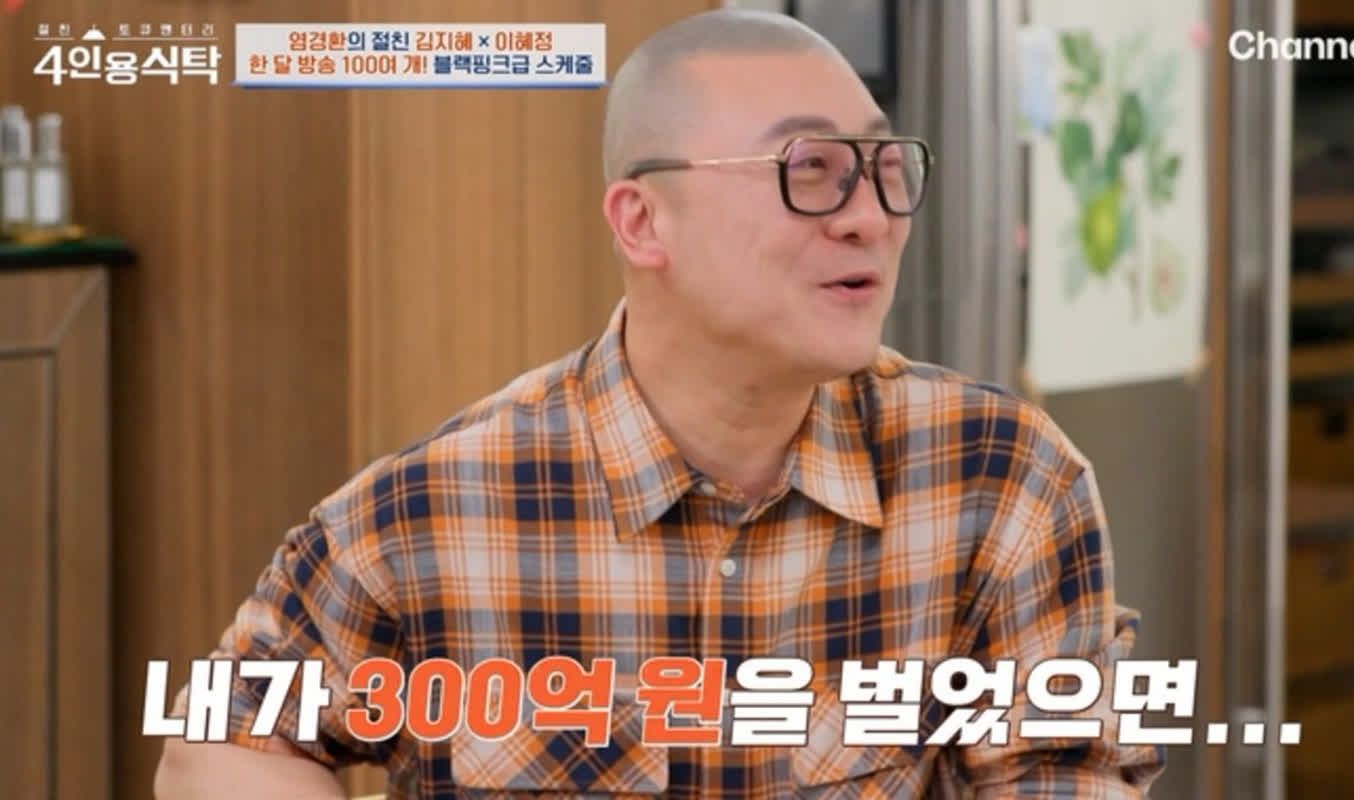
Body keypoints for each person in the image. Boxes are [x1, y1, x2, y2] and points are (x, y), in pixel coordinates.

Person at [155, 8, 1164, 798]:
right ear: (642, 221)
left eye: (885, 168)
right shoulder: (432, 512)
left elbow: (1063, 770)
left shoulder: (1000, 477)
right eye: (811, 171)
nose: (869, 217)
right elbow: (223, 742)